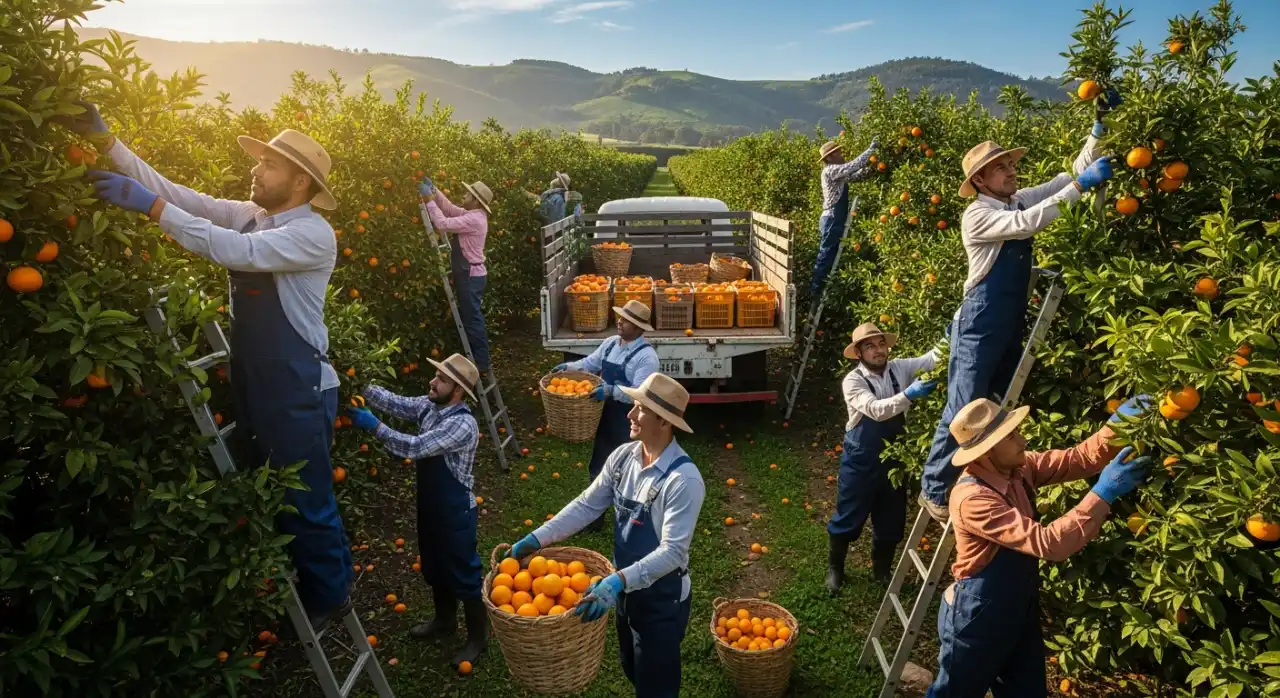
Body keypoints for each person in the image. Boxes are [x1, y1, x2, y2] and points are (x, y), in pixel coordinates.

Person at [71, 103, 354, 631]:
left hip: (298, 386)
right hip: (258, 377)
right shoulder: (255, 215)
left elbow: (234, 251)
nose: (255, 169)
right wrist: (111, 146)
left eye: (268, 165)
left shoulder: (313, 233)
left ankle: (331, 597)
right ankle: (312, 582)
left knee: (306, 495)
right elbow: (184, 198)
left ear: (298, 180)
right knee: (274, 488)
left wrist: (151, 209)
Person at [916, 91, 1122, 522]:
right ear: (980, 181)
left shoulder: (1016, 198)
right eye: (1001, 168)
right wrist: (1082, 188)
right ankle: (935, 489)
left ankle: (978, 471)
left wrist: (1097, 132)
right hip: (979, 321)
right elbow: (1027, 223)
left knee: (992, 402)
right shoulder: (978, 214)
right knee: (963, 403)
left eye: (1011, 165)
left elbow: (1067, 178)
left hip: (1008, 319)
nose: (1012, 172)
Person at [925, 394, 1152, 697]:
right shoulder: (973, 498)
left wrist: (1118, 427)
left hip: (1018, 608)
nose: (1023, 440)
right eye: (1013, 435)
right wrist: (1104, 493)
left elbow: (1077, 459)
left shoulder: (1018, 468)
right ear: (988, 451)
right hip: (977, 617)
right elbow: (1048, 543)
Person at [507, 373, 706, 698]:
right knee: (631, 665)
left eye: (639, 408)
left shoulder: (683, 480)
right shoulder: (624, 457)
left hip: (661, 598)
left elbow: (672, 553)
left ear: (663, 422)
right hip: (623, 588)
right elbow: (587, 505)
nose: (629, 413)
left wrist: (618, 581)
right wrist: (538, 538)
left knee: (656, 685)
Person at [345, 353, 488, 666]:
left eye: (441, 380)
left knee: (463, 573)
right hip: (431, 504)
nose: (432, 382)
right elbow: (395, 402)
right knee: (435, 565)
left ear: (458, 391)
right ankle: (444, 621)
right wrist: (354, 381)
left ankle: (478, 638)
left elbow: (413, 447)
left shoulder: (462, 424)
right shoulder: (429, 404)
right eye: (435, 376)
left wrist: (373, 425)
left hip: (455, 511)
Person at [827, 322, 941, 592]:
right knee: (848, 515)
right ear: (858, 353)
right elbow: (875, 410)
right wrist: (909, 394)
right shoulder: (853, 381)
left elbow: (931, 359)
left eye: (881, 344)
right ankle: (835, 569)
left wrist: (954, 332)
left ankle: (881, 571)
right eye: (870, 346)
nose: (879, 350)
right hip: (861, 460)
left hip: (894, 459)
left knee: (892, 517)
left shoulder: (899, 368)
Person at [551, 300, 659, 530]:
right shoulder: (610, 344)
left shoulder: (646, 357)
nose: (619, 322)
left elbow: (640, 394)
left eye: (627, 321)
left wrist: (611, 391)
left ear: (639, 328)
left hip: (629, 419)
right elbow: (590, 363)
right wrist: (568, 368)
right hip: (604, 414)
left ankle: (633, 521)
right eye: (620, 317)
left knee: (628, 471)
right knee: (599, 466)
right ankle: (593, 520)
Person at [418, 177, 496, 375]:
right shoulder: (473, 214)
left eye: (468, 194)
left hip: (470, 274)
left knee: (472, 319)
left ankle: (482, 363)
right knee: (471, 317)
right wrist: (436, 192)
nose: (464, 195)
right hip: (470, 273)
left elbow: (442, 224)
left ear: (477, 201)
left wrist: (429, 200)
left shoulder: (474, 219)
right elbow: (451, 209)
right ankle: (481, 360)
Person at [810, 138, 879, 300]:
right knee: (825, 255)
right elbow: (852, 166)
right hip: (832, 218)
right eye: (838, 152)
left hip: (834, 219)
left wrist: (875, 168)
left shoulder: (837, 173)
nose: (842, 155)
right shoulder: (830, 170)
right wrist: (870, 150)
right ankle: (816, 292)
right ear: (830, 157)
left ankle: (822, 290)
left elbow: (855, 175)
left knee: (830, 255)